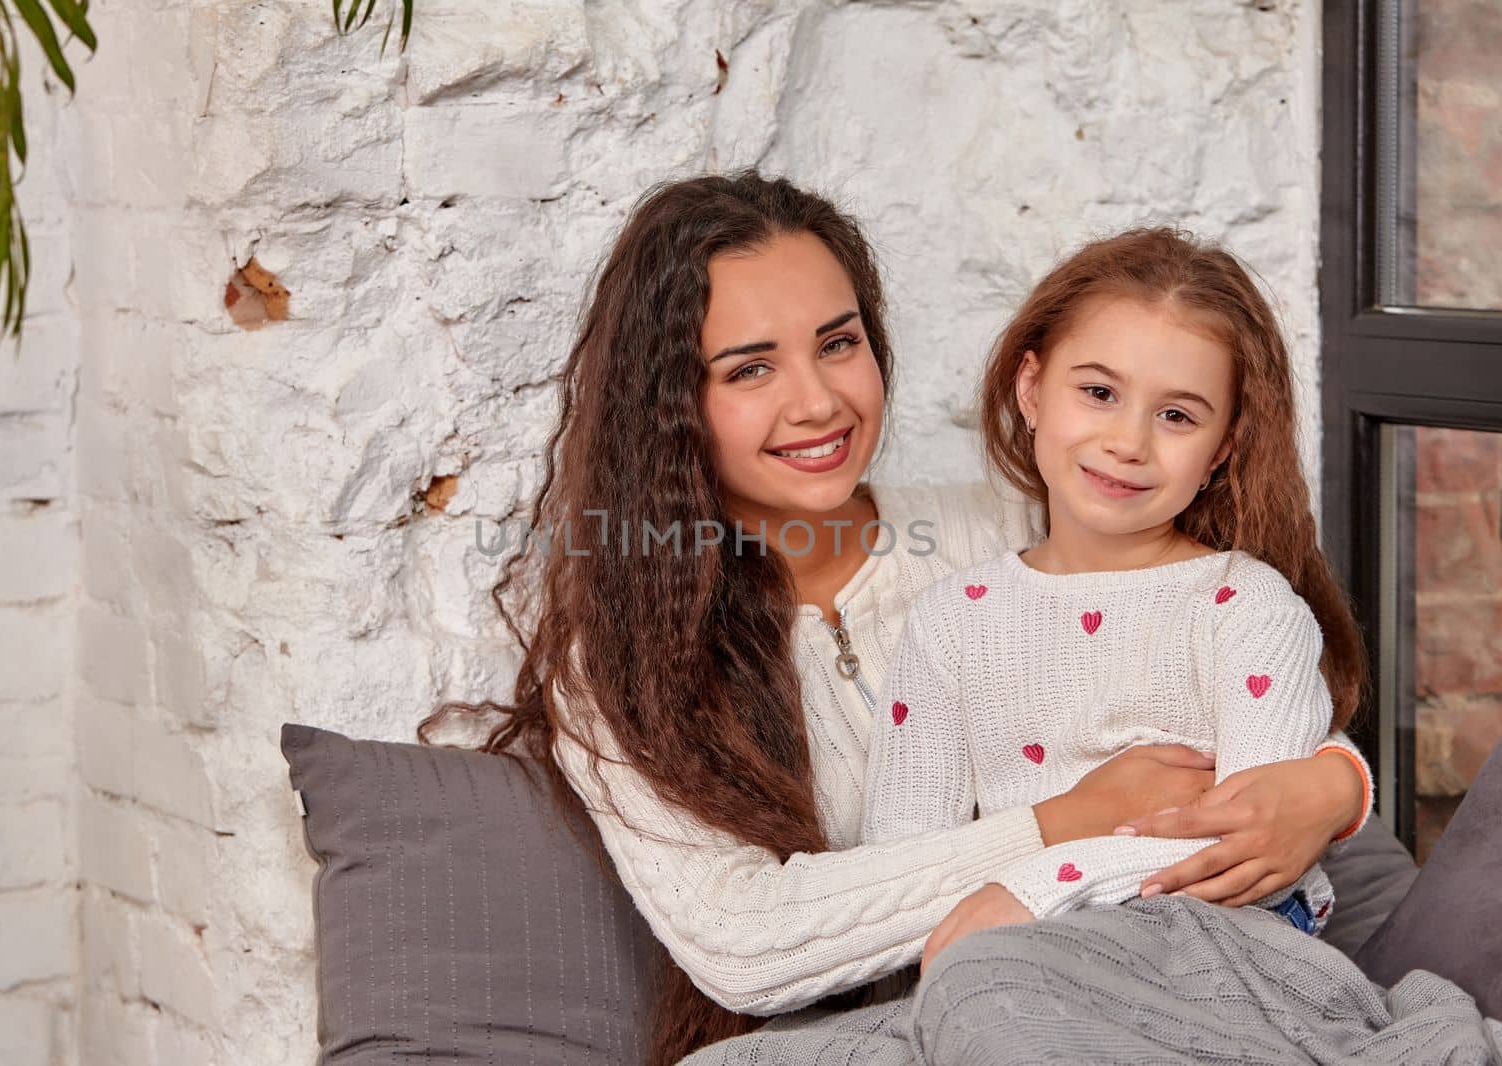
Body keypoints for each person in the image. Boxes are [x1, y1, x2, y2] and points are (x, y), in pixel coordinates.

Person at [422, 172, 1370, 1066]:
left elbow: (1226, 674)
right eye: (751, 369)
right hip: (930, 1017)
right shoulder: (618, 665)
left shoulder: (1013, 526)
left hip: (1143, 978)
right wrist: (1066, 823)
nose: (819, 400)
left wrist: (1336, 787)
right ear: (673, 403)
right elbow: (745, 943)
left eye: (838, 344)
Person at [861, 227, 1368, 970]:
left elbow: (1242, 853)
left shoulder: (1249, 609)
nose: (1129, 442)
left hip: (1213, 943)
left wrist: (1033, 890)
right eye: (1099, 392)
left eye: (1177, 416)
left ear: (1221, 450)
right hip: (1012, 959)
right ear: (1031, 390)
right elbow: (908, 858)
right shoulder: (953, 620)